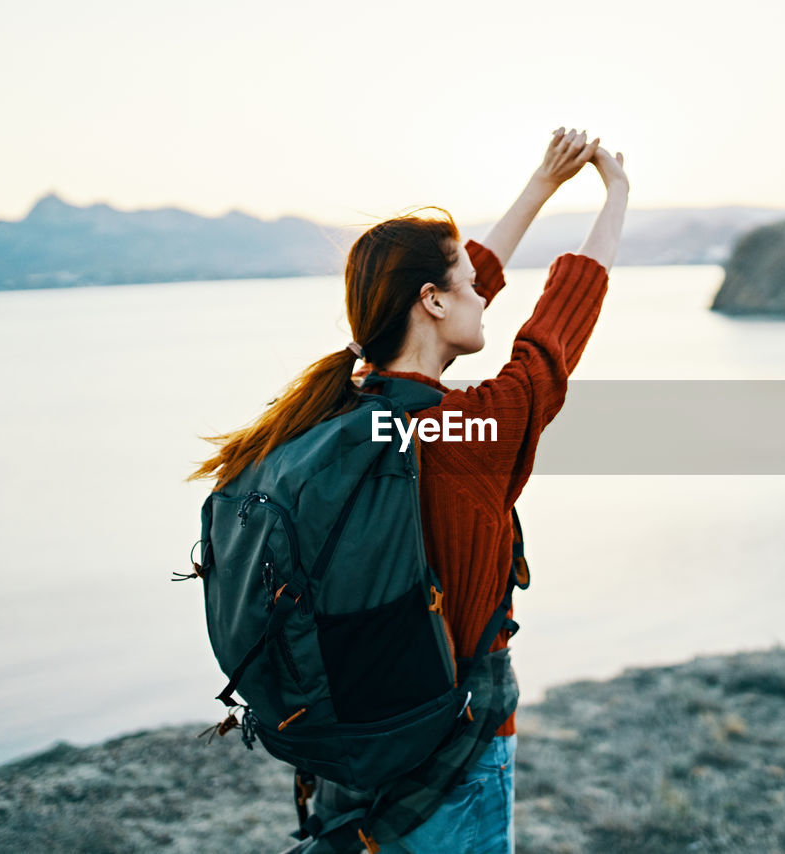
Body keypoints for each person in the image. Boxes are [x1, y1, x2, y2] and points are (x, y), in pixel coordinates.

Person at [192, 127, 628, 854]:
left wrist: (542, 186)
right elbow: (557, 331)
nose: (483, 294)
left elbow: (458, 284)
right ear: (429, 300)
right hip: (454, 758)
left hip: (357, 747)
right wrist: (617, 193)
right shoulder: (474, 436)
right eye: (467, 285)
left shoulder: (334, 420)